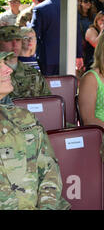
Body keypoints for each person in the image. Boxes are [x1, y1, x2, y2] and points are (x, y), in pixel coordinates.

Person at [0, 51, 70, 210]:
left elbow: (49, 171)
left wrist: (47, 206)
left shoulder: (24, 119)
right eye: (0, 65)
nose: (8, 70)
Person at [31, 0, 83, 75]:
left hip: (46, 57)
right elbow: (76, 33)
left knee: (48, 87)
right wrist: (79, 55)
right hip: (67, 57)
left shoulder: (39, 9)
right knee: (64, 87)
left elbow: (34, 34)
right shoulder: (70, 8)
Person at [0, 25, 51, 100]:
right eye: (8, 40)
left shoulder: (33, 73)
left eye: (18, 40)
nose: (15, 44)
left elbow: (47, 101)